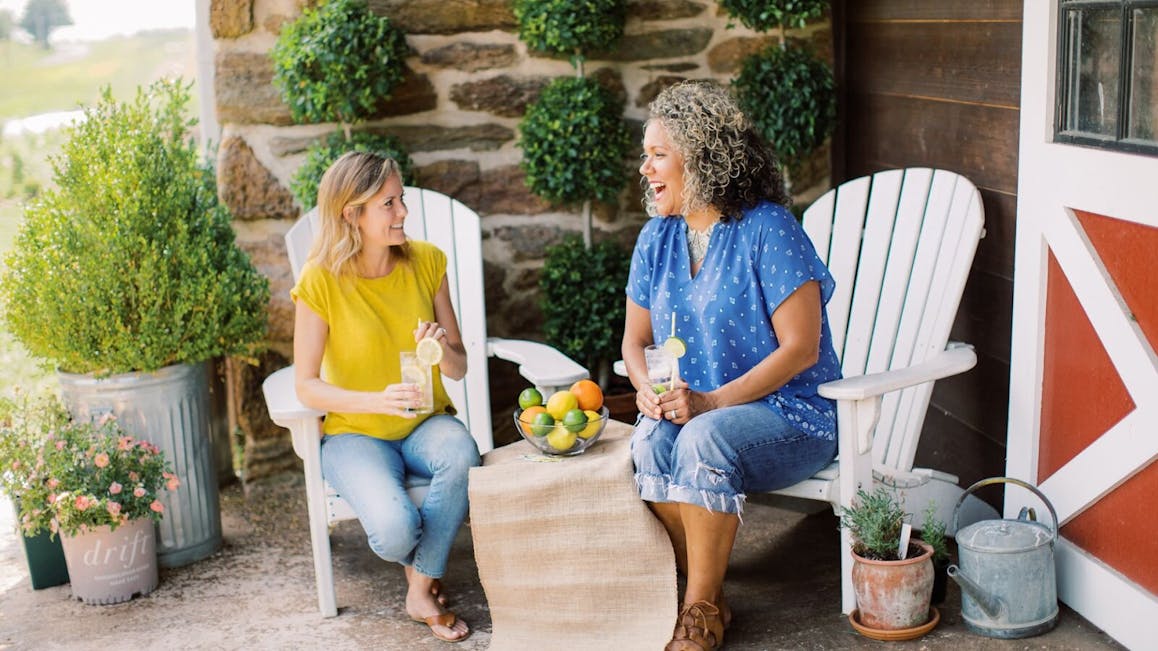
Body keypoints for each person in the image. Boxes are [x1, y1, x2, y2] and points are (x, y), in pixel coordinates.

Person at [622, 80, 842, 651]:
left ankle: (696, 612)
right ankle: (710, 594)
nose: (644, 168)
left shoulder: (768, 230)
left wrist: (711, 403)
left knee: (702, 439)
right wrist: (647, 391)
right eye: (644, 155)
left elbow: (801, 348)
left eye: (657, 155)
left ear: (701, 156)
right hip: (699, 410)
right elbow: (634, 340)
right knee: (647, 443)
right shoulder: (656, 238)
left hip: (793, 414)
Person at [292, 151, 479, 643]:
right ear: (352, 214)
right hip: (354, 434)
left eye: (401, 200)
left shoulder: (426, 262)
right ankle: (422, 566)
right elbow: (305, 384)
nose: (402, 213)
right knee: (395, 529)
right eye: (388, 204)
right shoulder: (320, 281)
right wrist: (376, 401)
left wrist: (441, 348)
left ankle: (419, 588)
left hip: (424, 424)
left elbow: (459, 366)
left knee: (462, 453)